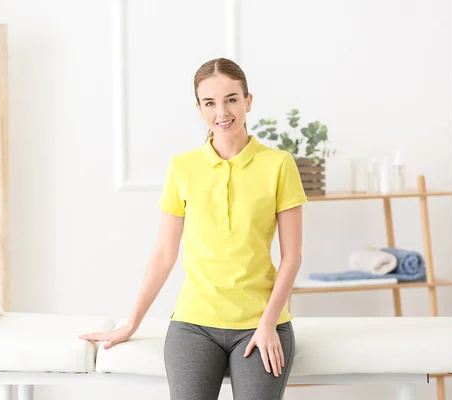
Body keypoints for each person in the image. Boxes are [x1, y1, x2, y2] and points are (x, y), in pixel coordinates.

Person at [79, 58, 307, 400]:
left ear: (248, 101)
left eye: (231, 99)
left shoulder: (279, 165)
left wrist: (269, 323)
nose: (222, 111)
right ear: (199, 107)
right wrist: (131, 323)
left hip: (260, 321)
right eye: (210, 102)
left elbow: (292, 257)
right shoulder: (183, 167)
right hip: (194, 324)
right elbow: (164, 254)